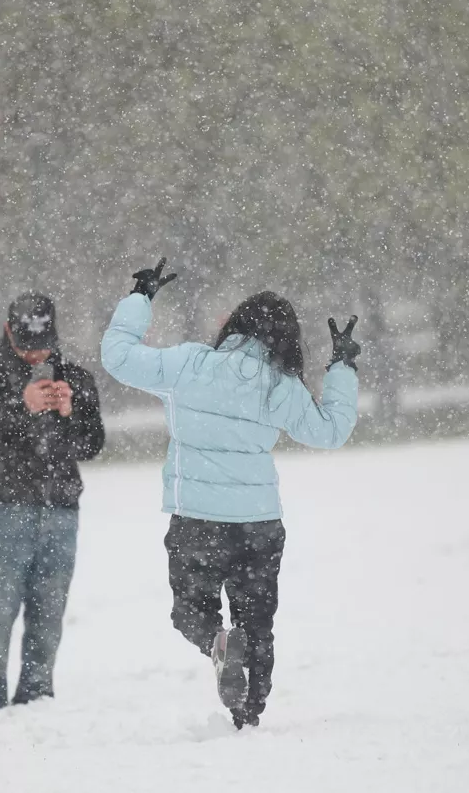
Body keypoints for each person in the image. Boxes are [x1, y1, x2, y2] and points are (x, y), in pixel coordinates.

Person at [100, 259, 361, 729]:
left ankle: (216, 642)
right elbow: (331, 431)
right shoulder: (281, 386)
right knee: (257, 623)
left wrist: (141, 297)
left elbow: (117, 356)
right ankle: (248, 717)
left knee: (190, 612)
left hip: (197, 521)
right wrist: (342, 366)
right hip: (258, 524)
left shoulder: (188, 364)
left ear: (237, 324)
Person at [0, 292, 105, 714]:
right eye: (27, 345)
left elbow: (92, 445)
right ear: (8, 331)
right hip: (6, 509)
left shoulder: (74, 377)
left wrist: (70, 412)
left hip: (61, 510)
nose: (36, 354)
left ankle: (37, 697)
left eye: (43, 345)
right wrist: (19, 407)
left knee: (49, 614)